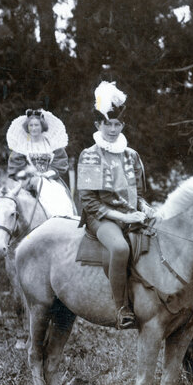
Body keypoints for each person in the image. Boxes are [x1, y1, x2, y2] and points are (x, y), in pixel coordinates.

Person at [77, 81, 151, 329]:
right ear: (98, 124)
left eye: (117, 124)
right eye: (107, 124)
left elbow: (139, 192)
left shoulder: (132, 154)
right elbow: (88, 200)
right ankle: (122, 308)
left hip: (130, 213)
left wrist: (144, 207)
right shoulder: (90, 154)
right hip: (101, 216)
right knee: (119, 248)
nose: (112, 128)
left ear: (122, 125)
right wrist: (122, 217)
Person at [6, 108, 72, 211]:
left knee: (61, 196)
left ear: (42, 126)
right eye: (31, 125)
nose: (33, 128)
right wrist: (29, 173)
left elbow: (60, 163)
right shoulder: (22, 147)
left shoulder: (51, 145)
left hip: (50, 180)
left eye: (36, 125)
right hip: (28, 181)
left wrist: (47, 174)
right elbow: (16, 169)